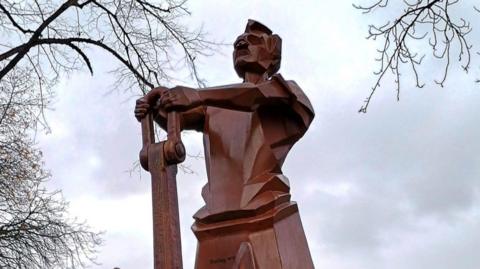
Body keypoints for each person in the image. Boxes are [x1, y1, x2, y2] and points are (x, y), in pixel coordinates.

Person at [135, 19, 315, 269]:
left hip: (264, 208)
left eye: (253, 40)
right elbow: (181, 119)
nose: (242, 42)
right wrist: (157, 109)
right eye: (238, 41)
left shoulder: (285, 92)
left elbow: (256, 96)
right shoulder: (215, 106)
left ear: (272, 51)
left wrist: (197, 95)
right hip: (217, 218)